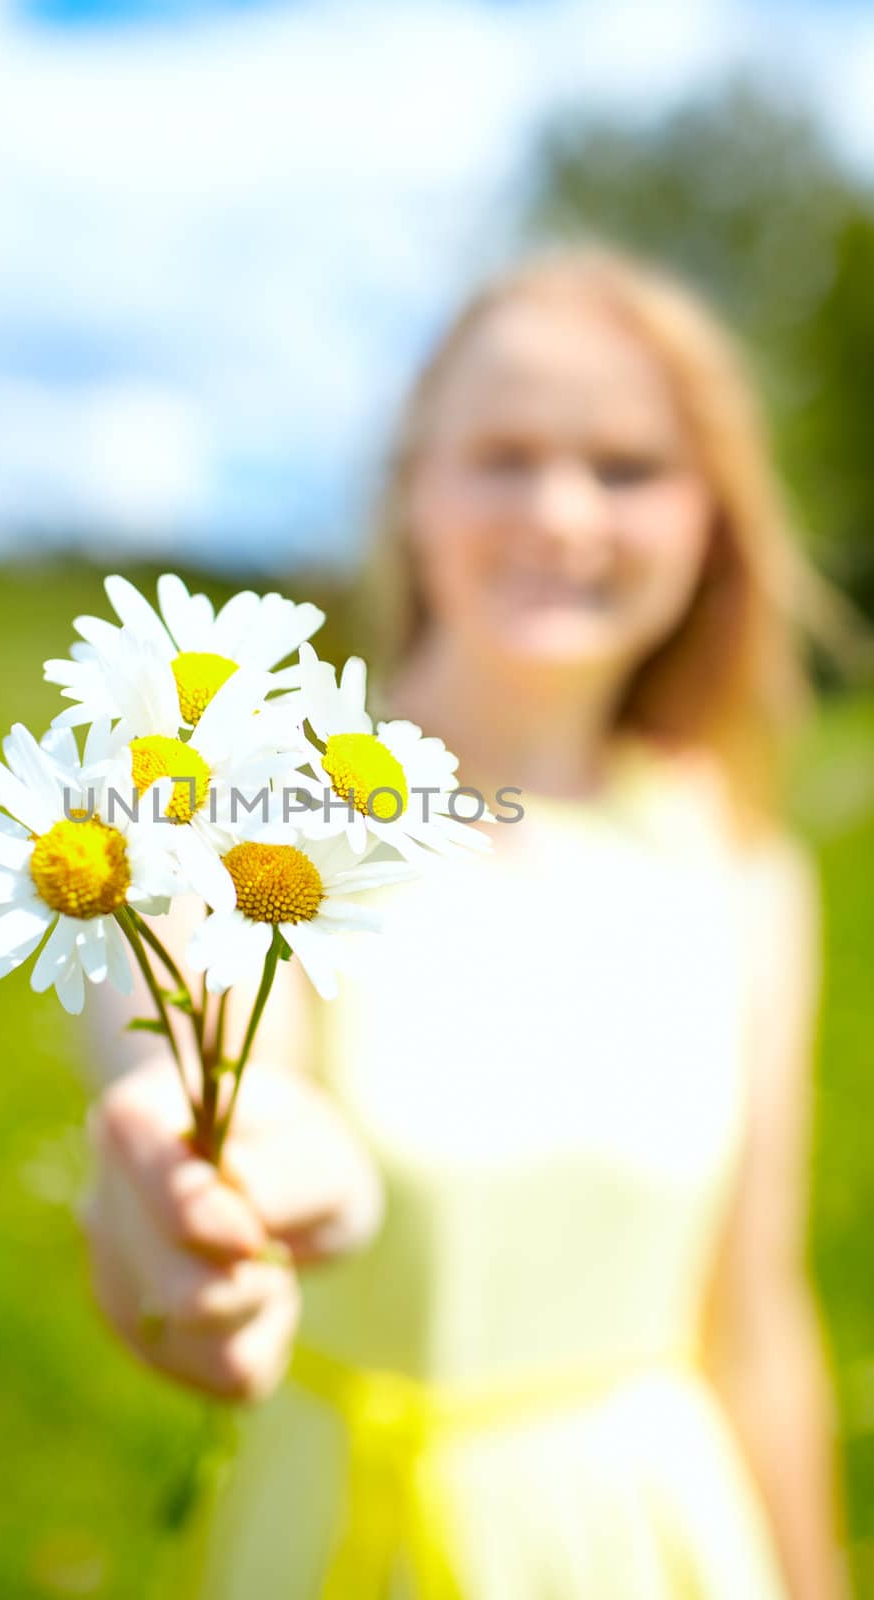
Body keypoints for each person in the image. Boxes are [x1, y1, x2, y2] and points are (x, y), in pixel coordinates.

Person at [82, 246, 863, 1599]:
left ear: (711, 520)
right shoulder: (239, 804)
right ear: (412, 489)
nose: (562, 510)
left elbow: (754, 1317)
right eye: (502, 454)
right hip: (344, 1543)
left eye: (627, 467)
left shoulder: (741, 869)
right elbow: (185, 1050)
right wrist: (195, 1165)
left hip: (659, 1539)